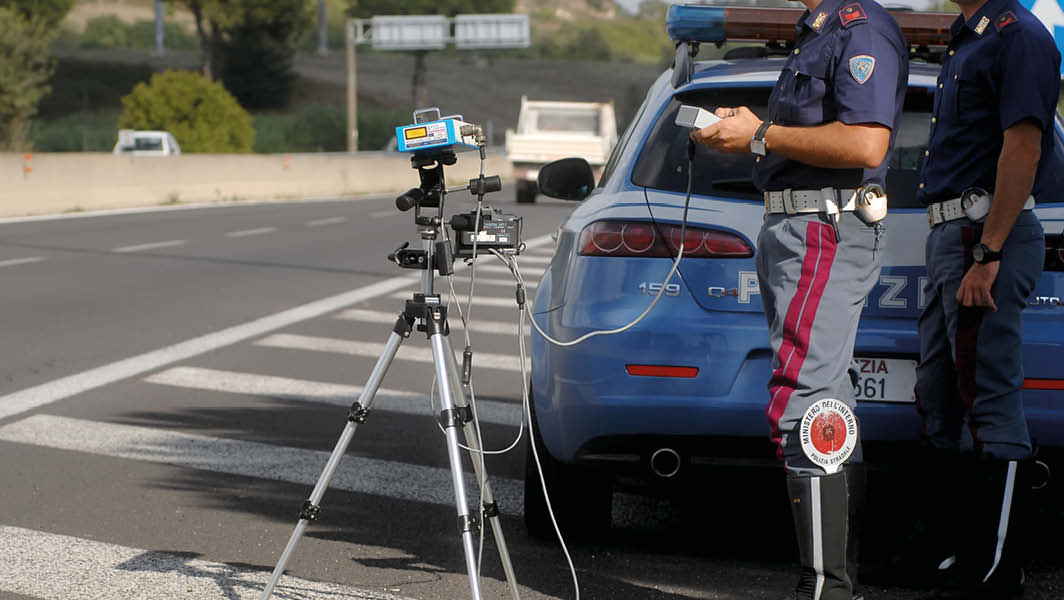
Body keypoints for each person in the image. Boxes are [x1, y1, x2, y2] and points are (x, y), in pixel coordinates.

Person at [690, 0, 908, 598]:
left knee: (804, 398)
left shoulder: (860, 30)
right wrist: (755, 130)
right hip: (797, 226)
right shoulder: (821, 32)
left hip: (824, 225)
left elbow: (866, 144)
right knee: (824, 397)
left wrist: (759, 133)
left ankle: (825, 589)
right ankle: (836, 584)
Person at [910, 0, 1060, 597]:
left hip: (983, 236)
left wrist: (988, 252)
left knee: (990, 398)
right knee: (939, 398)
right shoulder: (968, 37)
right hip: (953, 235)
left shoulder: (1016, 35)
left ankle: (998, 569)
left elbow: (1021, 149)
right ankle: (945, 554)